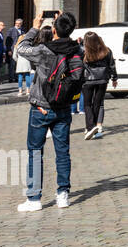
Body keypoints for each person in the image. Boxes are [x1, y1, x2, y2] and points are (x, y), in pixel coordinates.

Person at [15, 14, 86, 211]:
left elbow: (21, 48)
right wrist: (65, 21)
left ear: (53, 29)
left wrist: (35, 27)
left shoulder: (44, 50)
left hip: (41, 107)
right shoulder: (77, 50)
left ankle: (34, 198)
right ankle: (63, 194)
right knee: (63, 154)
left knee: (35, 153)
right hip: (63, 108)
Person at [80, 31, 119, 140]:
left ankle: (90, 127)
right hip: (102, 80)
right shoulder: (106, 50)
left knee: (87, 104)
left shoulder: (83, 51)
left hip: (87, 80)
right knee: (97, 104)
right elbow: (112, 65)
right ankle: (94, 127)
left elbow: (79, 66)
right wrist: (114, 78)